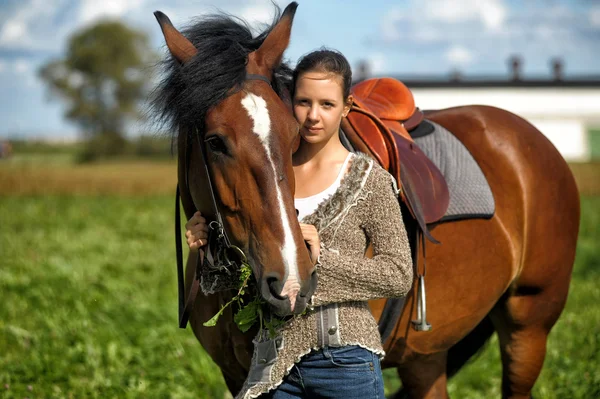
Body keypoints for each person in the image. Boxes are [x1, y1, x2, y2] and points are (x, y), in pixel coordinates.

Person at [185, 49, 413, 399]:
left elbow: (398, 275)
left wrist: (320, 260)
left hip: (345, 363)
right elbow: (245, 277)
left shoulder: (372, 181)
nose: (313, 116)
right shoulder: (269, 175)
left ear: (347, 107)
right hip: (271, 368)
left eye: (327, 104)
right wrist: (209, 251)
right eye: (304, 102)